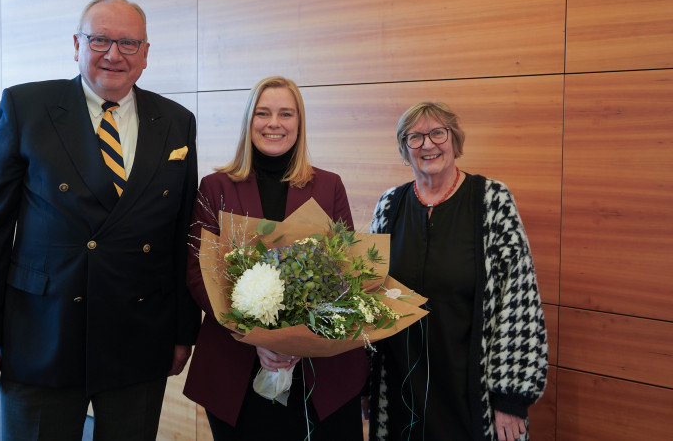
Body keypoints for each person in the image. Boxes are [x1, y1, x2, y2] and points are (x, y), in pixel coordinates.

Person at [0, 0, 201, 440]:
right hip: (43, 334)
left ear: (146, 54)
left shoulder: (177, 121)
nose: (113, 54)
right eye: (100, 39)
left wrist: (183, 332)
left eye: (128, 43)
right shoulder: (27, 108)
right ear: (76, 44)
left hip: (138, 336)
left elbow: (182, 236)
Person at [183, 76, 369, 440]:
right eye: (263, 113)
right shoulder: (215, 187)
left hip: (322, 373)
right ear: (249, 121)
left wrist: (300, 340)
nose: (274, 123)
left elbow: (349, 271)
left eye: (286, 114)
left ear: (299, 124)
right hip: (237, 371)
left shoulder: (329, 185)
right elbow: (197, 273)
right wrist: (255, 336)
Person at [367, 101, 547, 441]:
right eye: (415, 137)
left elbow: (519, 301)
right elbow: (370, 296)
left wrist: (510, 395)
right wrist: (364, 382)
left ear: (455, 140)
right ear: (404, 148)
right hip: (401, 386)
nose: (428, 144)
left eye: (438, 133)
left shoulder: (493, 201)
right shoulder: (388, 205)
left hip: (470, 389)